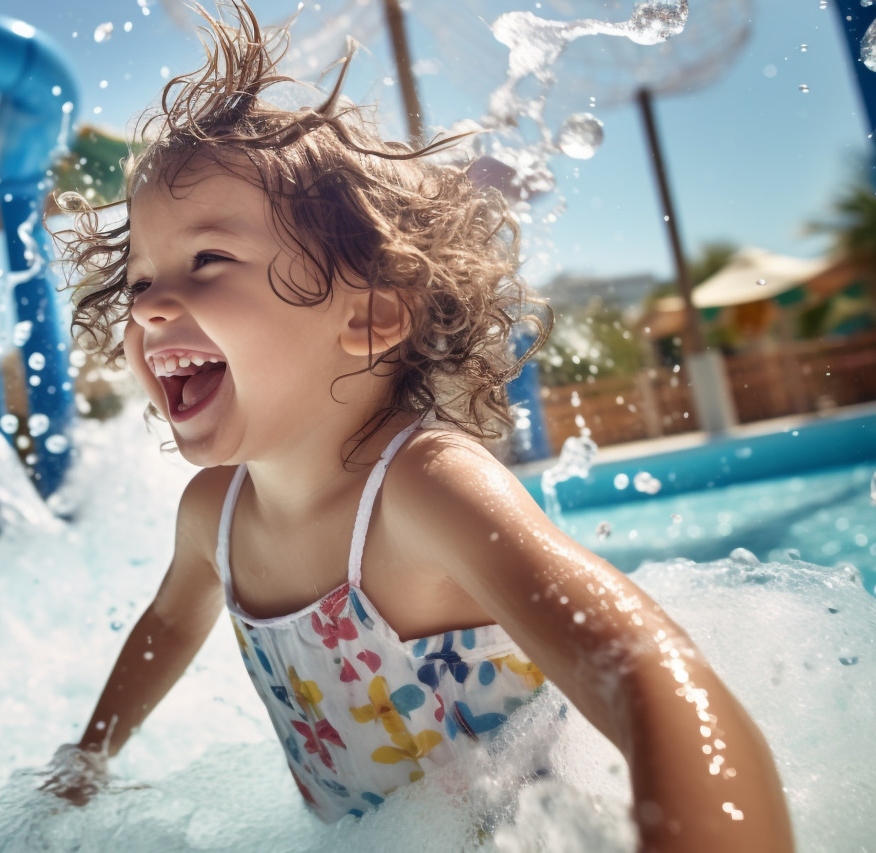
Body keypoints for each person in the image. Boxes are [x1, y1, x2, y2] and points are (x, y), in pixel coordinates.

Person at [44, 3, 793, 849]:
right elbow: (171, 625)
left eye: (208, 260)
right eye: (139, 280)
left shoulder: (423, 489)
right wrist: (85, 762)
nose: (149, 308)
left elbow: (645, 670)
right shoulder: (211, 517)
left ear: (368, 319)